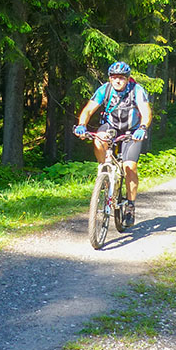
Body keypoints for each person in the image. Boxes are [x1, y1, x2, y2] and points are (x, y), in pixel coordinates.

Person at [74, 61, 152, 227]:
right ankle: (104, 169)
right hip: (111, 127)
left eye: (121, 78)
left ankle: (130, 206)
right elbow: (88, 110)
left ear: (127, 79)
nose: (117, 81)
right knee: (98, 139)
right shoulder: (104, 90)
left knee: (129, 167)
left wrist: (143, 127)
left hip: (132, 131)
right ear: (109, 78)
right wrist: (82, 125)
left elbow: (146, 112)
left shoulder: (137, 90)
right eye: (114, 77)